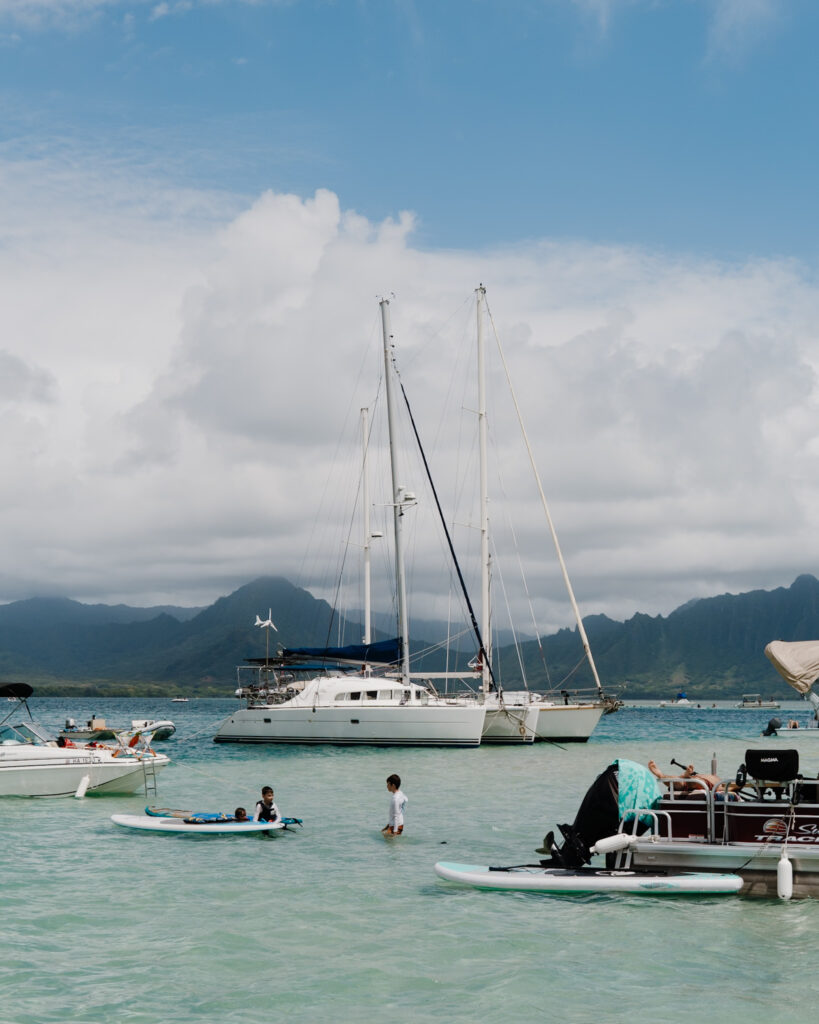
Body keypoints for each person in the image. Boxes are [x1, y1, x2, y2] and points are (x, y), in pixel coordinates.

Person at [647, 759, 724, 794]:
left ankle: (661, 775)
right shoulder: (717, 780)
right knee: (684, 781)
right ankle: (661, 775)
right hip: (704, 782)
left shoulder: (718, 782)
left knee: (685, 781)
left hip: (702, 782)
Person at [382, 773, 407, 837]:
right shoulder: (400, 793)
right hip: (399, 824)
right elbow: (405, 800)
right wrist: (387, 826)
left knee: (387, 841)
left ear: (393, 785)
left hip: (395, 826)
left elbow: (396, 816)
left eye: (388, 784)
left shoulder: (395, 799)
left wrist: (395, 832)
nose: (387, 786)